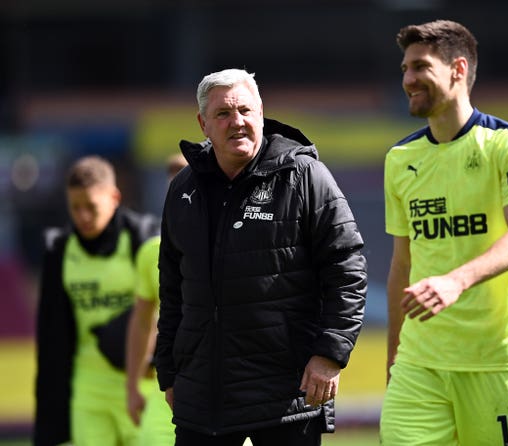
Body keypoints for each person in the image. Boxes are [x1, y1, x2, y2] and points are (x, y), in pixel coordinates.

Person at [154, 68, 367, 445]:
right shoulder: (182, 189)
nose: (237, 122)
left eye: (246, 111)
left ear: (261, 114)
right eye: (223, 114)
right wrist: (170, 372)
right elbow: (173, 288)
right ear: (203, 124)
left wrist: (331, 353)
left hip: (286, 395)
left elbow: (347, 268)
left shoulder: (305, 176)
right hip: (203, 397)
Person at [380, 20, 508, 445]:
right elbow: (403, 265)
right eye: (404, 69)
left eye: (419, 67)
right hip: (420, 366)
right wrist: (394, 359)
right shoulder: (400, 160)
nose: (408, 80)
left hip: (496, 362)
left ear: (458, 68)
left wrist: (457, 281)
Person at [34, 155, 160, 446]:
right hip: (87, 390)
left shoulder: (144, 239)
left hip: (141, 385)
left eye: (91, 206)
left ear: (114, 197)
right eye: (75, 208)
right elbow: (51, 333)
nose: (83, 217)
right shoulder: (60, 250)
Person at [125, 153, 188, 445]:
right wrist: (132, 387)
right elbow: (142, 323)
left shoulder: (236, 246)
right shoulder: (152, 252)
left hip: (229, 389)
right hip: (169, 391)